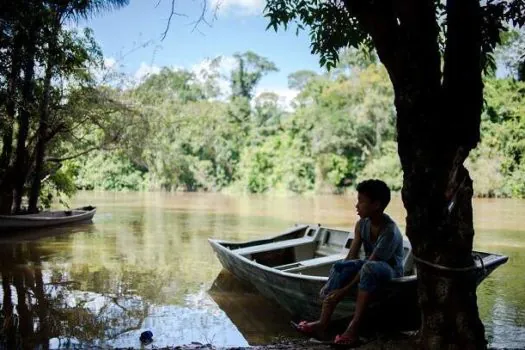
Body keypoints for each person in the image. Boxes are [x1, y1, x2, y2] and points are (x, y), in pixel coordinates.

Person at [293, 179, 404, 346]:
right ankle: (322, 323)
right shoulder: (362, 224)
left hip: (391, 272)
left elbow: (371, 263)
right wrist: (333, 281)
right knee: (341, 265)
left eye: (361, 201)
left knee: (368, 267)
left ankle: (353, 329)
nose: (356, 205)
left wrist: (343, 291)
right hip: (369, 267)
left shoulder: (390, 231)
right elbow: (351, 256)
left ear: (376, 205)